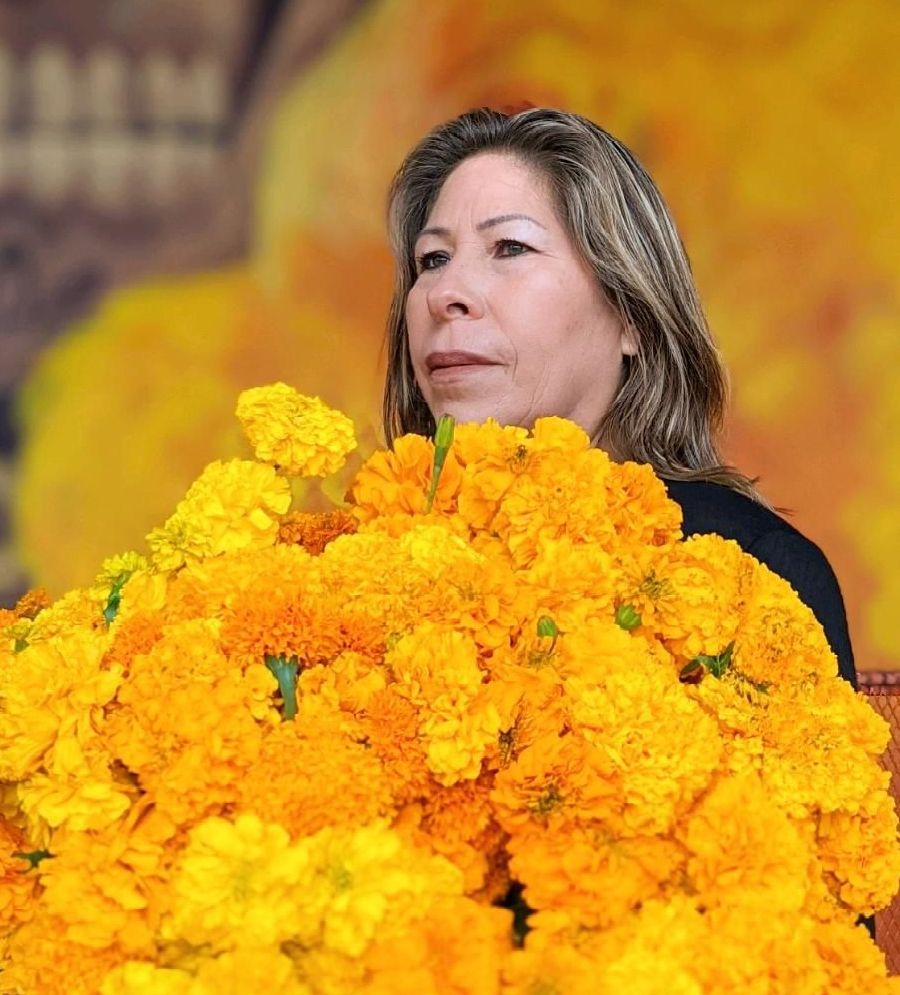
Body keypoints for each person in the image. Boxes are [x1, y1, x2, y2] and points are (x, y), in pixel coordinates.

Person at [381, 105, 857, 691]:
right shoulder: (358, 566)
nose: (445, 293)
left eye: (509, 247)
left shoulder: (754, 578)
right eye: (432, 260)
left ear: (630, 312)